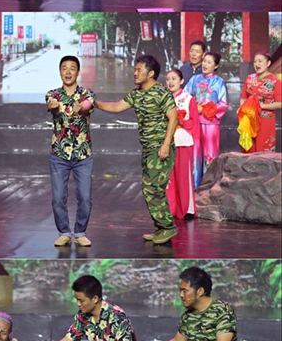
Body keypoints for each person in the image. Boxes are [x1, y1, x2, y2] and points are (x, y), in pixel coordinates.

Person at [96, 55, 178, 244]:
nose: (135, 73)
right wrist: (96, 104)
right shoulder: (136, 94)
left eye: (139, 70)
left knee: (152, 188)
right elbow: (117, 107)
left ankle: (168, 227)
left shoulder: (161, 93)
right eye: (135, 69)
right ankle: (161, 228)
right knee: (150, 188)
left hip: (160, 148)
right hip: (148, 148)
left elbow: (173, 118)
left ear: (151, 73)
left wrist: (166, 144)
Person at [46, 55, 95, 248]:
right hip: (59, 154)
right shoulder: (52, 94)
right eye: (64, 68)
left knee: (85, 197)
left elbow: (87, 106)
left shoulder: (87, 94)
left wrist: (81, 108)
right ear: (60, 72)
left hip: (83, 154)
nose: (68, 72)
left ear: (78, 72)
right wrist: (54, 107)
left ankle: (80, 232)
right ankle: (64, 232)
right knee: (58, 198)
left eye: (72, 68)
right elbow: (52, 106)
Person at [184, 50, 228, 187]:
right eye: (204, 61)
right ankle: (194, 187)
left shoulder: (219, 82)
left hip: (211, 125)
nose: (205, 64)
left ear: (216, 65)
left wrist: (203, 109)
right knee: (195, 156)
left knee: (210, 155)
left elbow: (223, 104)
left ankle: (209, 187)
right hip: (195, 124)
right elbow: (185, 97)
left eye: (209, 62)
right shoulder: (194, 79)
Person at [165, 68, 200, 221]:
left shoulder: (188, 99)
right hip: (166, 143)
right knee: (168, 178)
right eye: (168, 79)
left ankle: (187, 208)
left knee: (183, 178)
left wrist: (180, 120)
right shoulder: (164, 99)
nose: (170, 82)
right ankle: (170, 209)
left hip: (183, 142)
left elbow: (194, 122)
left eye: (174, 78)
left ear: (181, 81)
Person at [238, 50, 281, 153]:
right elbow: (243, 98)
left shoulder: (275, 81)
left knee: (264, 152)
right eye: (255, 61)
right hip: (250, 120)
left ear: (268, 63)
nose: (257, 64)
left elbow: (280, 103)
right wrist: (245, 113)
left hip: (266, 121)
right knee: (249, 151)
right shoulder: (250, 78)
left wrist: (260, 106)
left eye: (260, 61)